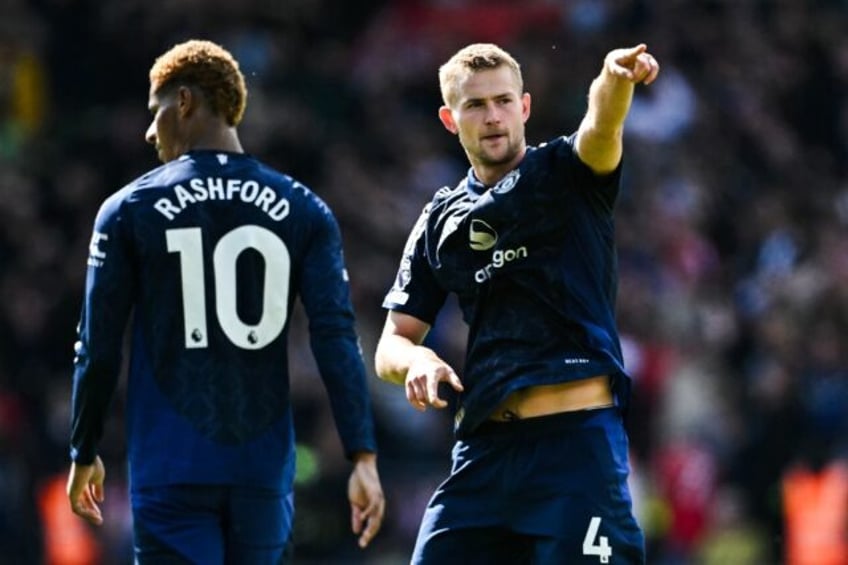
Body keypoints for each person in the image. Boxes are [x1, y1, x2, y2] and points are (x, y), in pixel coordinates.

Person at [66, 39, 385, 563]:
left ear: (185, 102)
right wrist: (363, 453)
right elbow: (336, 339)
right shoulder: (304, 208)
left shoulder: (129, 209)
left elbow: (97, 347)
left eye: (156, 110)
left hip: (171, 467)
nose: (150, 130)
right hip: (261, 469)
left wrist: (84, 447)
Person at [375, 42, 659, 564]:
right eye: (476, 105)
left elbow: (601, 128)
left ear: (525, 107)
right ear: (448, 118)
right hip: (484, 456)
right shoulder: (440, 219)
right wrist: (417, 359)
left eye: (504, 101)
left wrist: (614, 80)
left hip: (574, 451)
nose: (493, 116)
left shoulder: (567, 174)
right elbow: (392, 341)